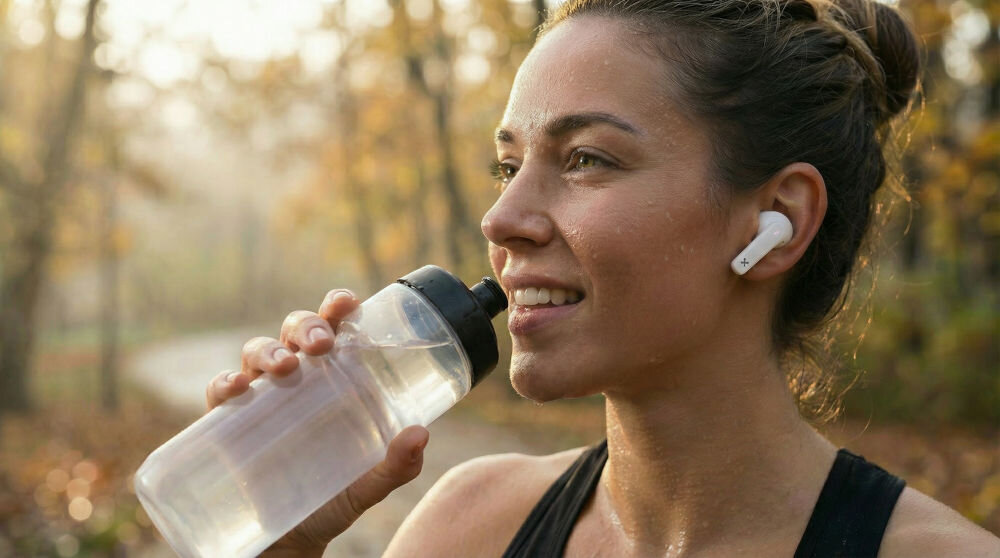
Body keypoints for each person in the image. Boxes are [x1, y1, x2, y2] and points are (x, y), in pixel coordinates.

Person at [206, 0, 1000, 556]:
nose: (500, 218)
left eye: (586, 159)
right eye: (507, 165)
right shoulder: (465, 530)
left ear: (778, 221)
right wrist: (285, 549)